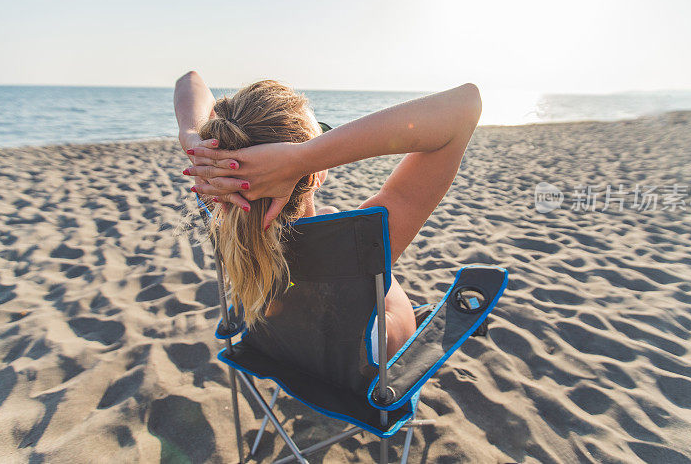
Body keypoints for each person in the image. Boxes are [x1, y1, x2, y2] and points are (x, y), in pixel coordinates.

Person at [174, 71, 482, 359]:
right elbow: (465, 105)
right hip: (362, 362)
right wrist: (303, 158)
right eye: (321, 138)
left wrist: (191, 139)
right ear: (311, 175)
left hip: (277, 348)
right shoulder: (355, 245)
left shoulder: (220, 208)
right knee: (374, 268)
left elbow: (190, 78)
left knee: (330, 214)